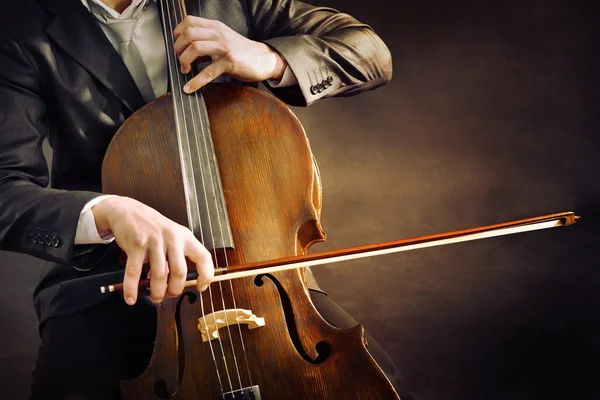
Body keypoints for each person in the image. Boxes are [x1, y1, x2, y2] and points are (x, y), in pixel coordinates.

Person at [0, 0, 410, 398]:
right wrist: (107, 210)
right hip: (110, 279)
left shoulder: (233, 2)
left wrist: (269, 58)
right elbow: (6, 187)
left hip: (258, 273)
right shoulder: (18, 24)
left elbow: (371, 54)